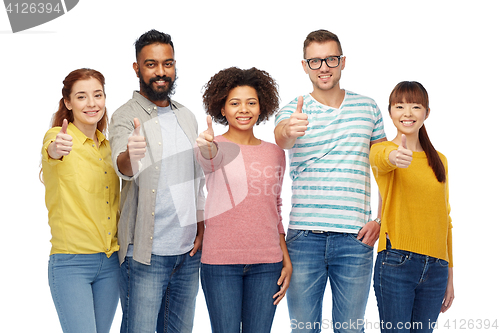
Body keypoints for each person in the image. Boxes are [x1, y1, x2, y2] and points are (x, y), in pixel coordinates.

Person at [274, 29, 387, 332]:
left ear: (342, 61)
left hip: (354, 239)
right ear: (304, 65)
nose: (323, 67)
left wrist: (381, 219)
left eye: (330, 59)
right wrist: (289, 129)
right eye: (315, 61)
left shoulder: (368, 108)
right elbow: (282, 137)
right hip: (304, 239)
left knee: (350, 329)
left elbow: (385, 171)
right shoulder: (293, 109)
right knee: (304, 328)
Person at [108, 30, 205, 333]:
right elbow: (122, 166)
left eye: (168, 63)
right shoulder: (125, 116)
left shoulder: (187, 116)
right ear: (137, 68)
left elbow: (195, 181)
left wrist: (201, 224)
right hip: (145, 255)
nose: (161, 72)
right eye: (151, 64)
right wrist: (131, 154)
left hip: (188, 255)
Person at [196, 67, 292, 333]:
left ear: (261, 107)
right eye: (234, 103)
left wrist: (285, 256)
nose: (244, 109)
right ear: (222, 109)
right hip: (220, 263)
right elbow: (207, 161)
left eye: (251, 103)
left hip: (267, 263)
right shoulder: (210, 146)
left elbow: (275, 206)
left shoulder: (274, 153)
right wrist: (207, 149)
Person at [370, 81, 454, 333]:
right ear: (391, 112)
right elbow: (381, 160)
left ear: (426, 113)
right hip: (397, 262)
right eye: (400, 106)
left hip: (437, 268)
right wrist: (395, 157)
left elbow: (445, 219)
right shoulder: (382, 149)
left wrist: (450, 275)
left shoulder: (440, 161)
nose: (407, 113)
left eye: (416, 106)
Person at [41, 68, 120, 333]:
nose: (92, 103)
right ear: (68, 102)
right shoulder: (58, 138)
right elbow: (53, 151)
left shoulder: (108, 147)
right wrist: (56, 148)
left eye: (97, 95)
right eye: (82, 97)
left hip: (110, 263)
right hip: (71, 262)